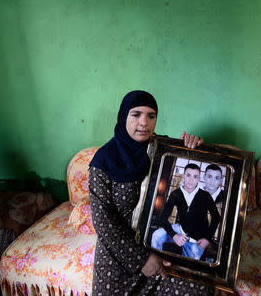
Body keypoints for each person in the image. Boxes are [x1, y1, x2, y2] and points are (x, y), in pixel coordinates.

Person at [88, 90, 211, 295]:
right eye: (136, 114)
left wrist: (197, 148)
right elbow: (103, 222)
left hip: (158, 248)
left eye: (151, 116)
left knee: (198, 287)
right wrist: (141, 259)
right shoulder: (102, 161)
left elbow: (197, 162)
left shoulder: (163, 148)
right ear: (123, 116)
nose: (144, 122)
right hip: (119, 252)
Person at [151, 164, 220, 260]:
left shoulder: (205, 195)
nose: (191, 180)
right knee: (156, 235)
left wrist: (207, 239)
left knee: (187, 265)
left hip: (197, 240)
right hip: (180, 230)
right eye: (188, 175)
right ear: (183, 176)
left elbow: (216, 217)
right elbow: (163, 217)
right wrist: (174, 235)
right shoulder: (176, 194)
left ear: (199, 178)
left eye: (195, 176)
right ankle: (155, 262)